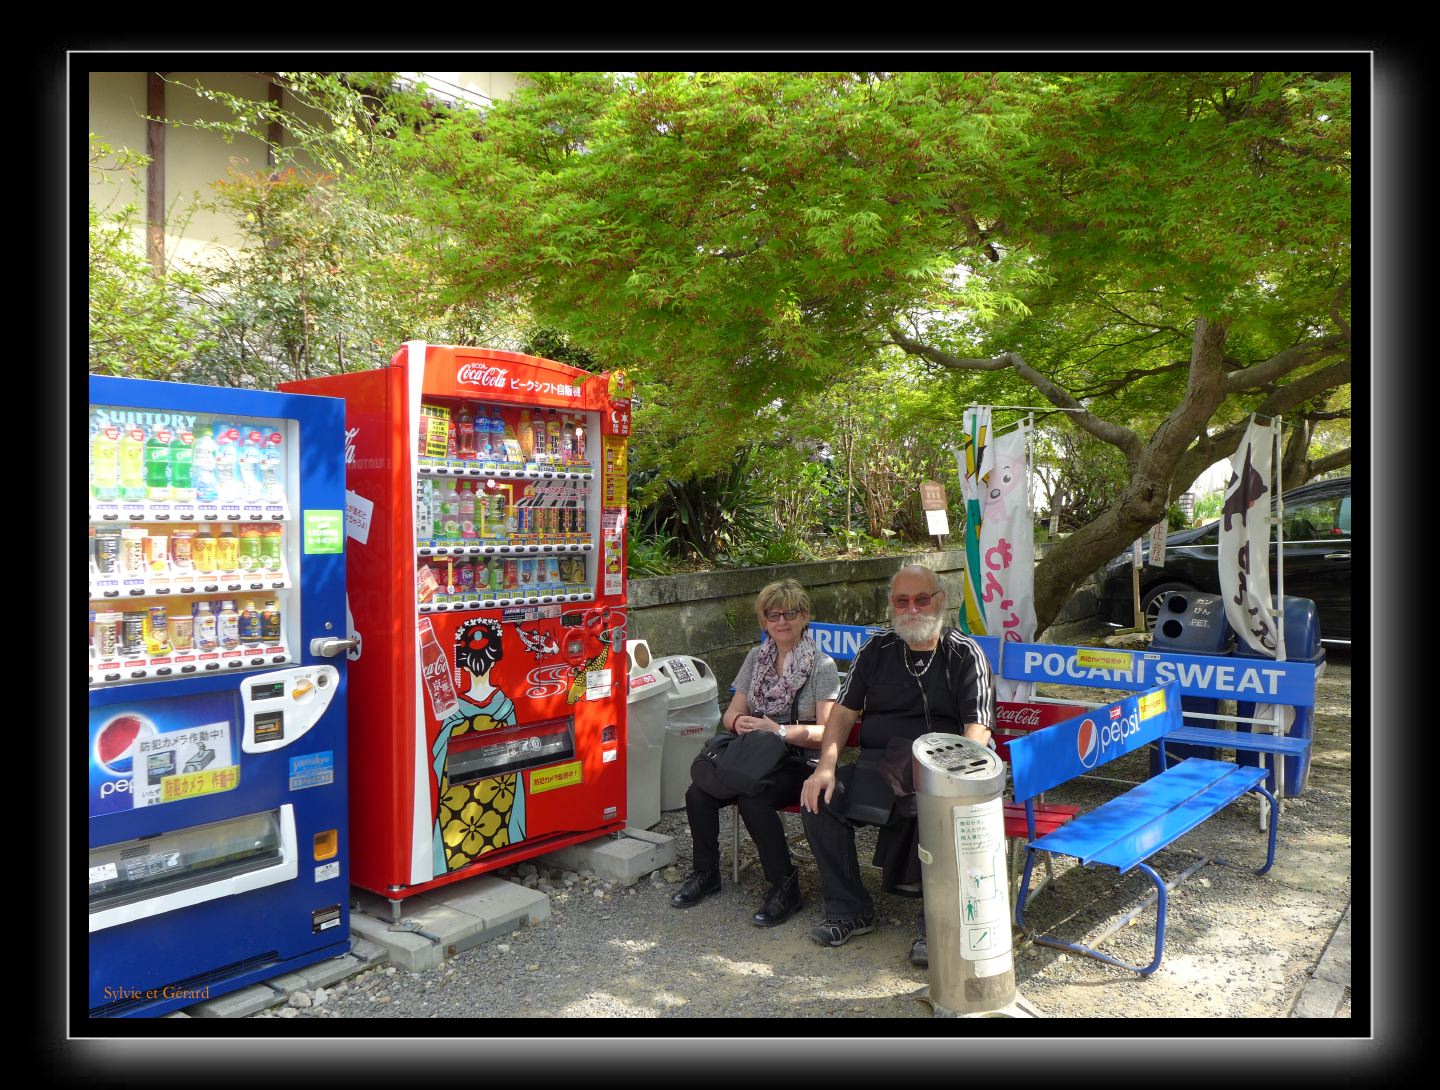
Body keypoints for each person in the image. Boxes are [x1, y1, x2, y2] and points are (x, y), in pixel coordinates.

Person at [799, 564, 994, 967]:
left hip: (942, 772)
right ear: (891, 605)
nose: (913, 608)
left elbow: (978, 729)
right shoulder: (876, 648)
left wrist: (949, 779)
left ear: (941, 600)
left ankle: (935, 922)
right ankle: (850, 909)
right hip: (878, 768)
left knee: (937, 810)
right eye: (902, 601)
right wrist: (826, 767)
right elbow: (842, 713)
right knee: (818, 800)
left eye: (922, 599)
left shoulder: (965, 654)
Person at [671, 579, 840, 927]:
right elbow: (730, 712)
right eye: (772, 615)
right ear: (764, 621)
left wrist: (777, 730)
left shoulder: (821, 666)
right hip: (753, 754)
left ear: (804, 616)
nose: (781, 621)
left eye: (789, 613)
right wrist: (740, 723)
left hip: (797, 760)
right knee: (697, 792)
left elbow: (826, 732)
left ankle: (784, 884)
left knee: (754, 797)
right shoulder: (756, 658)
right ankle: (706, 873)